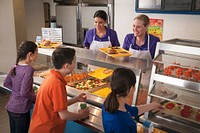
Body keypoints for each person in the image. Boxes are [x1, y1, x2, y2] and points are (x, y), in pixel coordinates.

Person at [30, 47, 89, 133]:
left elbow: (57, 106)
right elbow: (64, 115)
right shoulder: (57, 84)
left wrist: (77, 99)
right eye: (74, 61)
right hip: (48, 129)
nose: (75, 64)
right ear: (66, 66)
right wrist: (81, 115)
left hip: (39, 126)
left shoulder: (51, 77)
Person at [102, 68, 162, 133]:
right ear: (130, 89)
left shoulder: (110, 103)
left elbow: (133, 111)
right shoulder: (122, 122)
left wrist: (153, 105)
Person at [3, 41, 38, 133]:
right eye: (36, 53)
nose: (37, 56)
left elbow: (6, 83)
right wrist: (37, 97)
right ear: (30, 54)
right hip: (21, 110)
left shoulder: (15, 66)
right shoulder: (29, 69)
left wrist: (16, 90)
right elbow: (24, 92)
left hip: (11, 107)